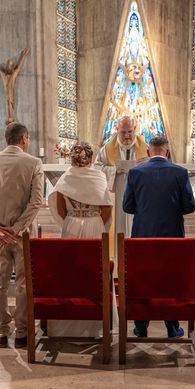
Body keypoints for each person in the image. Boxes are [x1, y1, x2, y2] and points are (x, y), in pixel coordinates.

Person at [0, 122, 44, 349]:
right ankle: (23, 333)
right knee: (24, 284)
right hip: (22, 235)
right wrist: (16, 230)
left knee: (0, 284)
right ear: (24, 139)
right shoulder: (33, 162)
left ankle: (1, 333)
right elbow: (36, 202)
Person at [122, 135, 195, 338]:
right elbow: (189, 206)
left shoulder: (136, 172)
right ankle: (172, 327)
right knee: (170, 279)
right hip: (172, 237)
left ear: (148, 152)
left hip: (143, 236)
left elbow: (127, 206)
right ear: (167, 151)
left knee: (143, 278)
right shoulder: (180, 173)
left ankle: (141, 326)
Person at [47, 141, 114, 337]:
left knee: (69, 271)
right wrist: (94, 222)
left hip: (72, 225)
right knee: (94, 271)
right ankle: (95, 324)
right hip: (94, 224)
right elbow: (106, 209)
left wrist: (71, 221)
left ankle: (68, 323)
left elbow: (59, 208)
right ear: (91, 159)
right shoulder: (98, 176)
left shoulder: (65, 178)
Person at [94, 115, 149, 237]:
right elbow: (96, 168)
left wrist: (146, 165)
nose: (127, 136)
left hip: (139, 196)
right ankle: (118, 254)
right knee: (118, 226)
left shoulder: (146, 149)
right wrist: (113, 170)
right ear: (116, 130)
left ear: (135, 128)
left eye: (130, 131)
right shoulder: (106, 149)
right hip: (116, 195)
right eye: (123, 132)